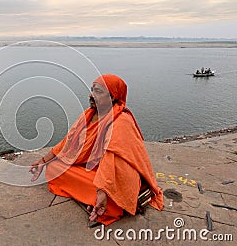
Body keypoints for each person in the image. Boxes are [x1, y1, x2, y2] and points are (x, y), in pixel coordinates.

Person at [30, 74, 163, 225]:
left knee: (110, 195)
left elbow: (110, 159)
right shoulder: (89, 115)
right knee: (54, 167)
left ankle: (108, 200)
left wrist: (103, 189)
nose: (91, 95)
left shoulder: (121, 121)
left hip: (117, 176)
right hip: (94, 169)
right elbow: (67, 143)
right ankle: (100, 199)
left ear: (112, 97)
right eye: (92, 90)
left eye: (98, 92)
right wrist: (42, 161)